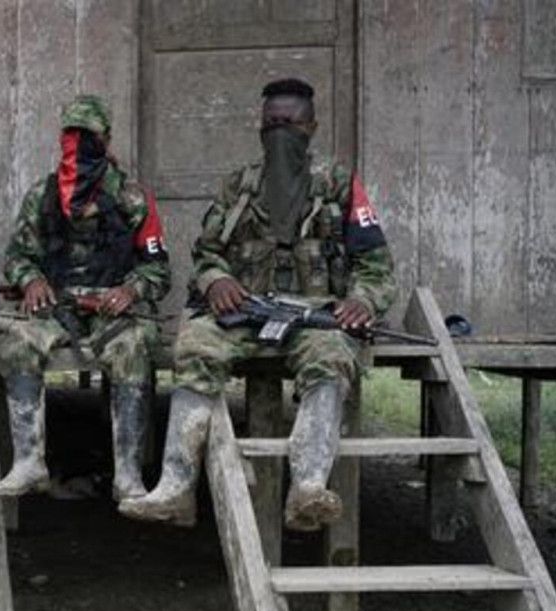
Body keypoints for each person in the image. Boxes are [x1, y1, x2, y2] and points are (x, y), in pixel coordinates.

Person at [120, 78, 396, 527]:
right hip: (246, 311)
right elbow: (205, 253)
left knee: (331, 357)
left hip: (314, 315)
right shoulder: (239, 186)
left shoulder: (339, 185)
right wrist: (216, 281)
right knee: (194, 346)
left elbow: (376, 263)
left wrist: (362, 301)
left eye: (289, 123)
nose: (279, 132)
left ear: (312, 127)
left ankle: (307, 487)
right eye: (270, 124)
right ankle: (174, 486)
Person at [0, 94, 170, 502]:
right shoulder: (44, 194)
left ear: (106, 140)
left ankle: (127, 473)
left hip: (111, 311)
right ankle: (29, 462)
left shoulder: (131, 198)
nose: (78, 145)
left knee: (132, 345)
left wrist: (131, 290)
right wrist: (31, 279)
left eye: (87, 137)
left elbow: (159, 269)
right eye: (71, 136)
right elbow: (17, 256)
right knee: (15, 337)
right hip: (56, 306)